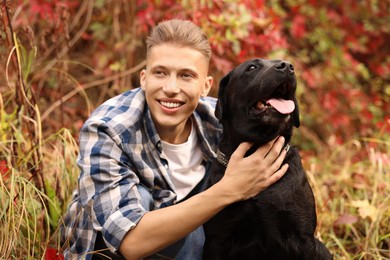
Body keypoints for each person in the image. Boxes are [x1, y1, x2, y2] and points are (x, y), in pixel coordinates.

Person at [61, 19, 288, 260]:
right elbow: (129, 241)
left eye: (186, 76)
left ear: (205, 86)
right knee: (163, 211)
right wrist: (229, 189)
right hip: (112, 251)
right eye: (160, 73)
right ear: (143, 78)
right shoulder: (109, 129)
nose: (171, 88)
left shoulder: (220, 121)